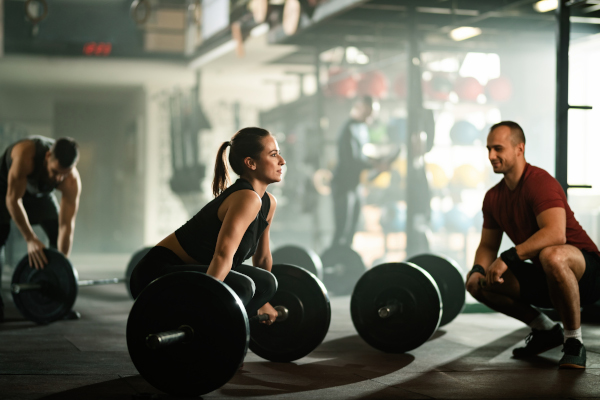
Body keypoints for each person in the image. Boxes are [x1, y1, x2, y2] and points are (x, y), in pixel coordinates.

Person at [466, 121, 600, 369]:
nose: (491, 156)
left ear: (519, 148)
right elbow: (487, 246)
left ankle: (573, 343)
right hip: (547, 277)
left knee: (552, 255)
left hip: (587, 275)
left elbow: (555, 234)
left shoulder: (539, 182)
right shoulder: (494, 197)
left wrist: (507, 258)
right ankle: (545, 329)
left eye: (498, 148)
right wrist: (477, 270)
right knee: (479, 284)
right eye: (488, 149)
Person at [130, 127, 285, 324]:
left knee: (266, 283)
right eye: (273, 155)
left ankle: (219, 329)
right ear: (251, 163)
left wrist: (263, 300)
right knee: (243, 286)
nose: (282, 161)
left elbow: (262, 258)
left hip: (197, 272)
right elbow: (222, 256)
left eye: (279, 154)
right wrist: (204, 307)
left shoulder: (268, 202)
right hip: (156, 274)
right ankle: (204, 330)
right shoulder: (246, 198)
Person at [0, 136, 81, 321]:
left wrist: (62, 270)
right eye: (55, 171)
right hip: (5, 188)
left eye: (64, 173)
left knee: (56, 232)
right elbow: (12, 200)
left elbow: (66, 226)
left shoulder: (71, 180)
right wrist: (30, 238)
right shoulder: (25, 155)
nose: (58, 178)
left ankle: (58, 301)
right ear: (47, 156)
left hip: (38, 194)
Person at [330, 96, 393, 248]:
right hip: (343, 185)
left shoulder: (362, 128)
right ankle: (333, 261)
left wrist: (377, 163)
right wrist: (376, 165)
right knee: (342, 230)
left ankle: (346, 260)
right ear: (360, 108)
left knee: (353, 228)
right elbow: (351, 160)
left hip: (355, 185)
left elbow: (362, 157)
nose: (372, 116)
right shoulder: (349, 129)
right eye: (369, 112)